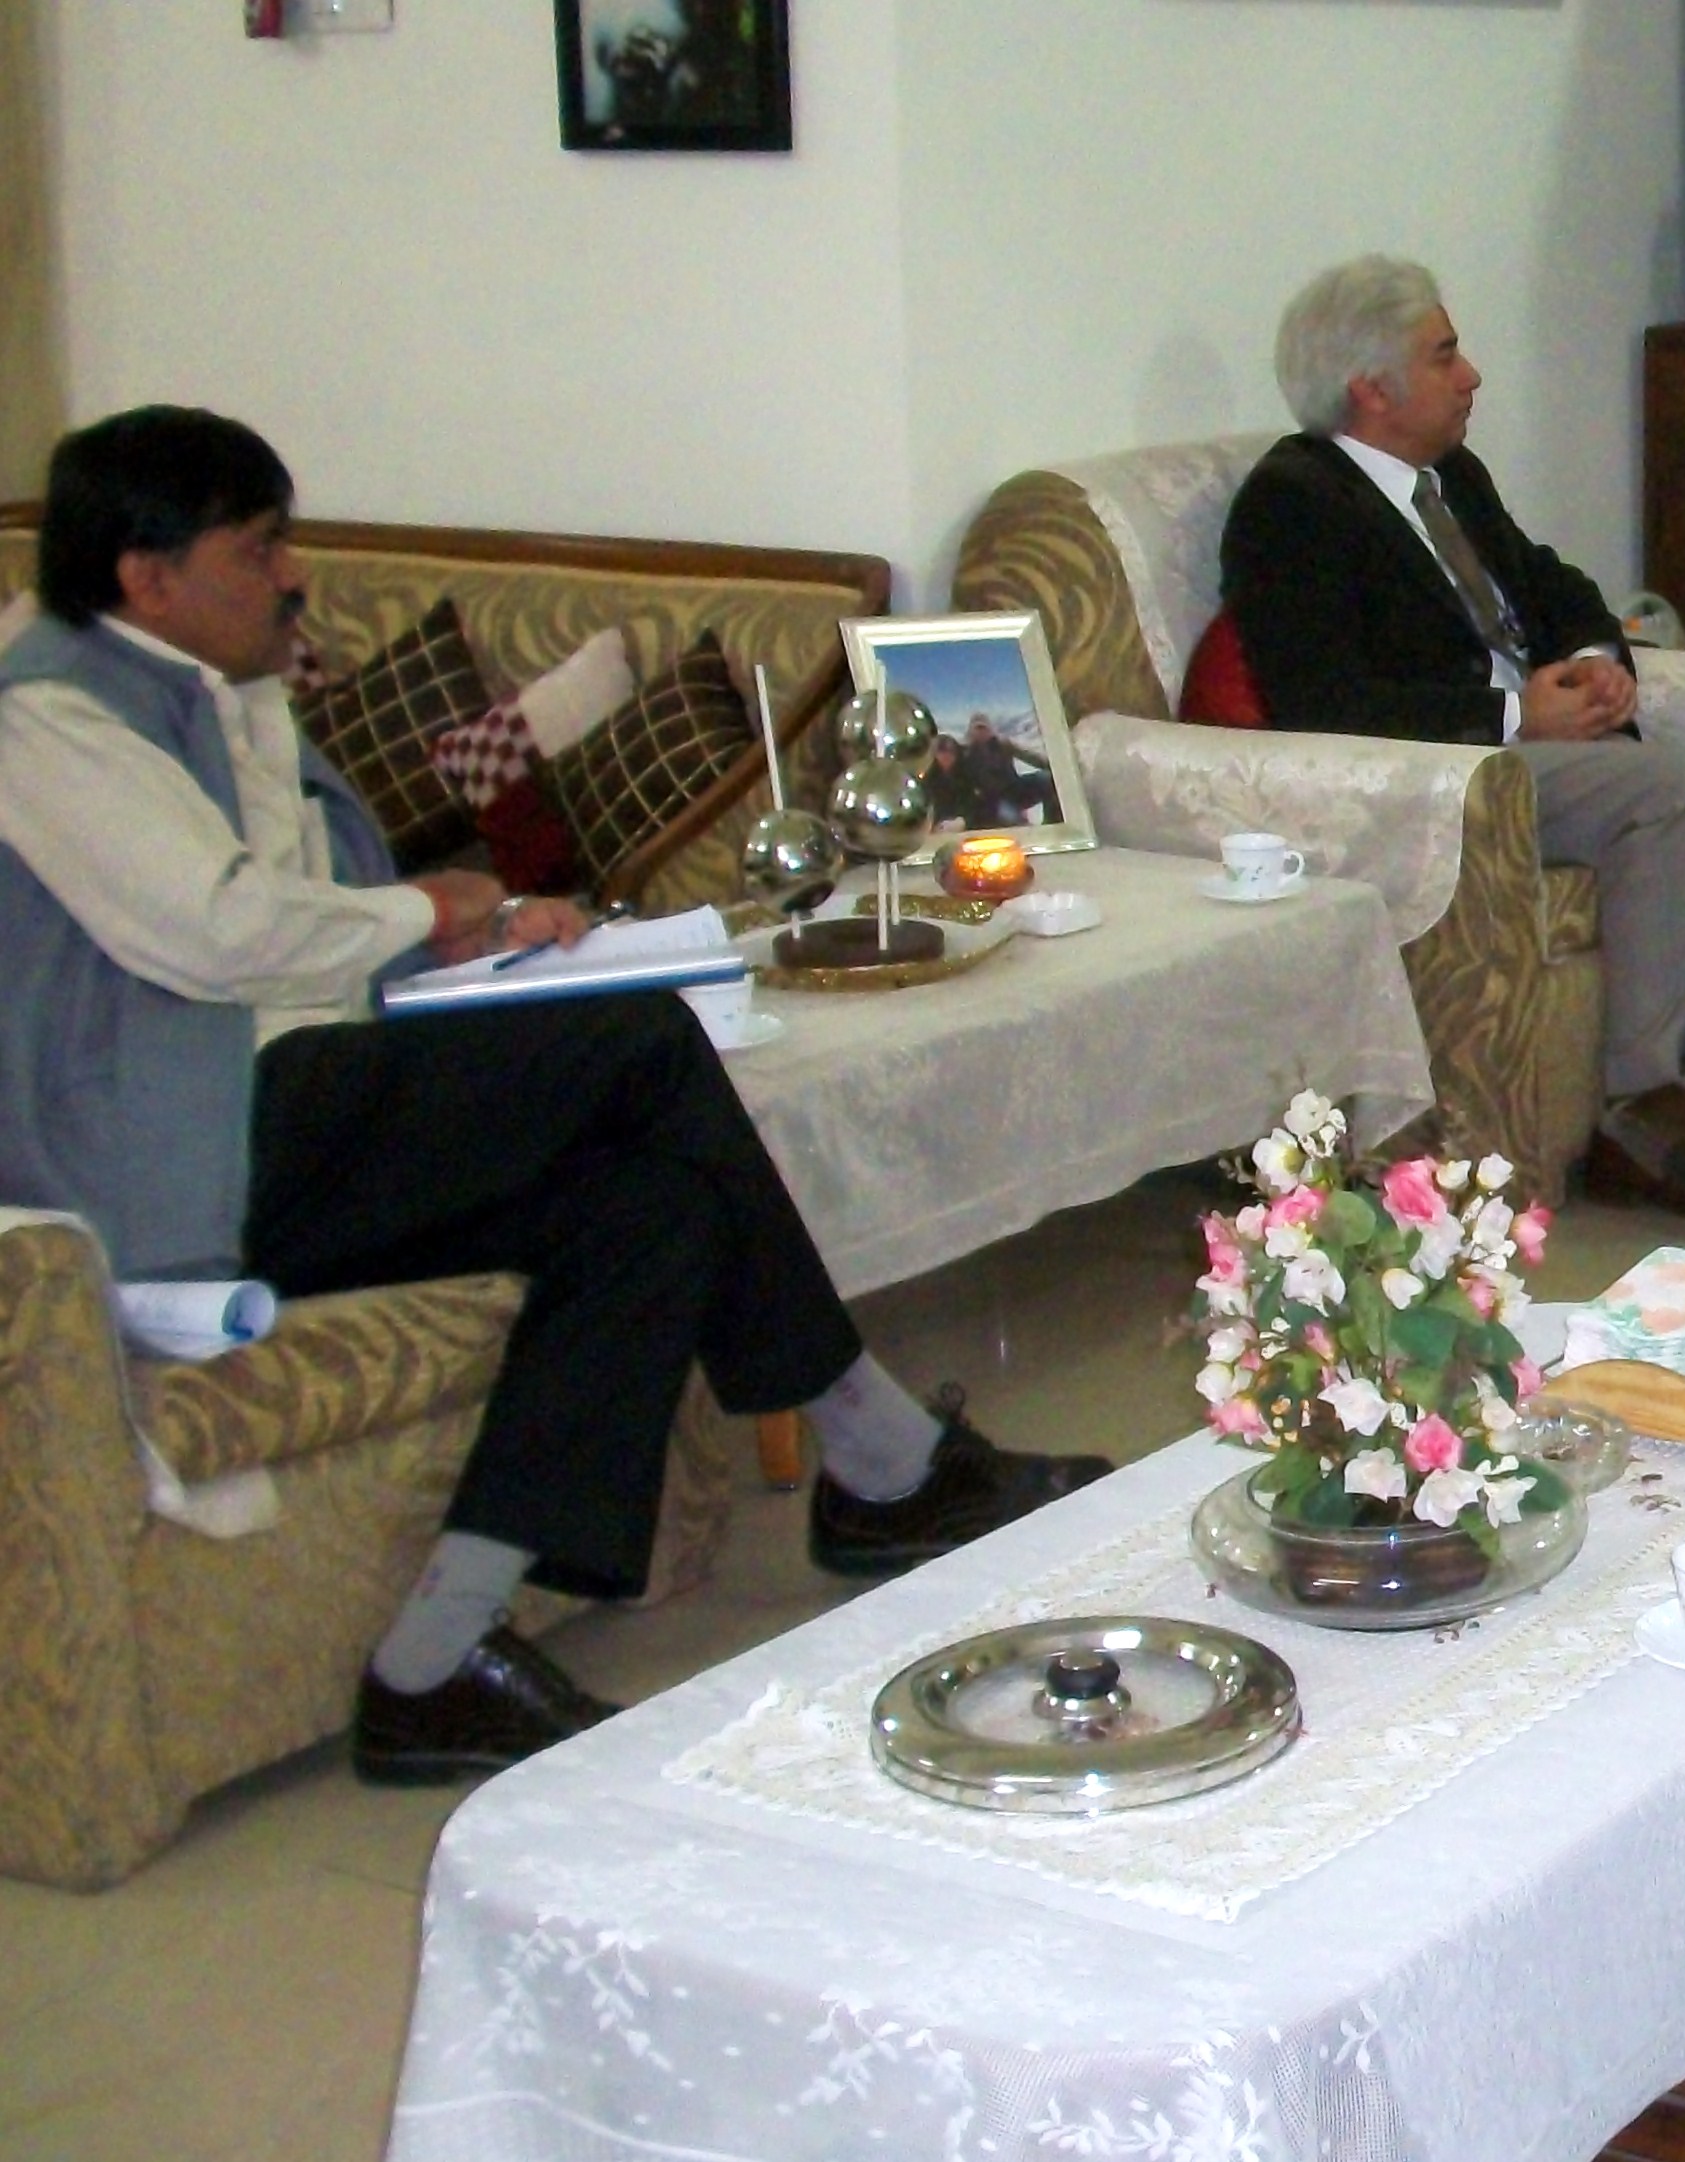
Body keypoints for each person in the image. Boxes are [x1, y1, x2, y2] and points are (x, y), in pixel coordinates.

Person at [0, 407, 1106, 1785]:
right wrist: (421, 902)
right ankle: (880, 1455)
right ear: (142, 577)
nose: (291, 574)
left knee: (645, 1210)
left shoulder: (227, 684)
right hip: (179, 1153)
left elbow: (303, 920)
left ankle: (434, 1663)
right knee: (636, 1044)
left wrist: (464, 924)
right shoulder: (46, 712)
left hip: (298, 1088)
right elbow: (216, 931)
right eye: (258, 547)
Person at [1221, 255, 1685, 1239]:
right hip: (1445, 776)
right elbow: (1322, 700)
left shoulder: (1448, 475)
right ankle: (1639, 1102)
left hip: (1530, 751)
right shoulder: (1293, 506)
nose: (1471, 376)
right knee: (1667, 790)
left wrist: (1592, 657)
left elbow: (1549, 582)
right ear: (1371, 388)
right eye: (1444, 356)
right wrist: (1510, 719)